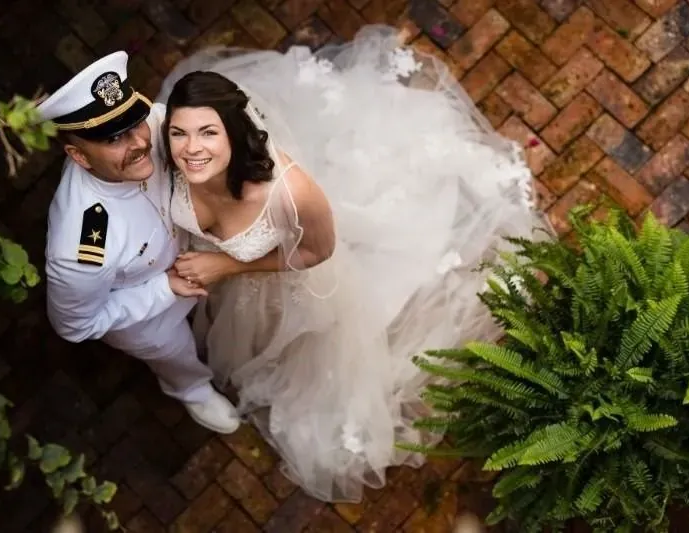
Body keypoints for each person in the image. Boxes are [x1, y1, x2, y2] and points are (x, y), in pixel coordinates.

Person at [154, 25, 552, 503]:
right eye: (181, 134)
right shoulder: (175, 154)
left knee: (290, 335)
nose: (191, 150)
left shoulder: (291, 193)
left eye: (207, 135)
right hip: (233, 264)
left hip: (290, 274)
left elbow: (314, 254)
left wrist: (227, 268)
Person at [36, 51, 240, 435]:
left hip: (196, 250)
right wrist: (164, 289)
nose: (139, 143)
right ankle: (191, 389)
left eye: (134, 124)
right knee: (175, 353)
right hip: (147, 312)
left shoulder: (156, 124)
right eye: (114, 138)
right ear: (79, 156)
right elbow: (77, 325)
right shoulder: (80, 249)